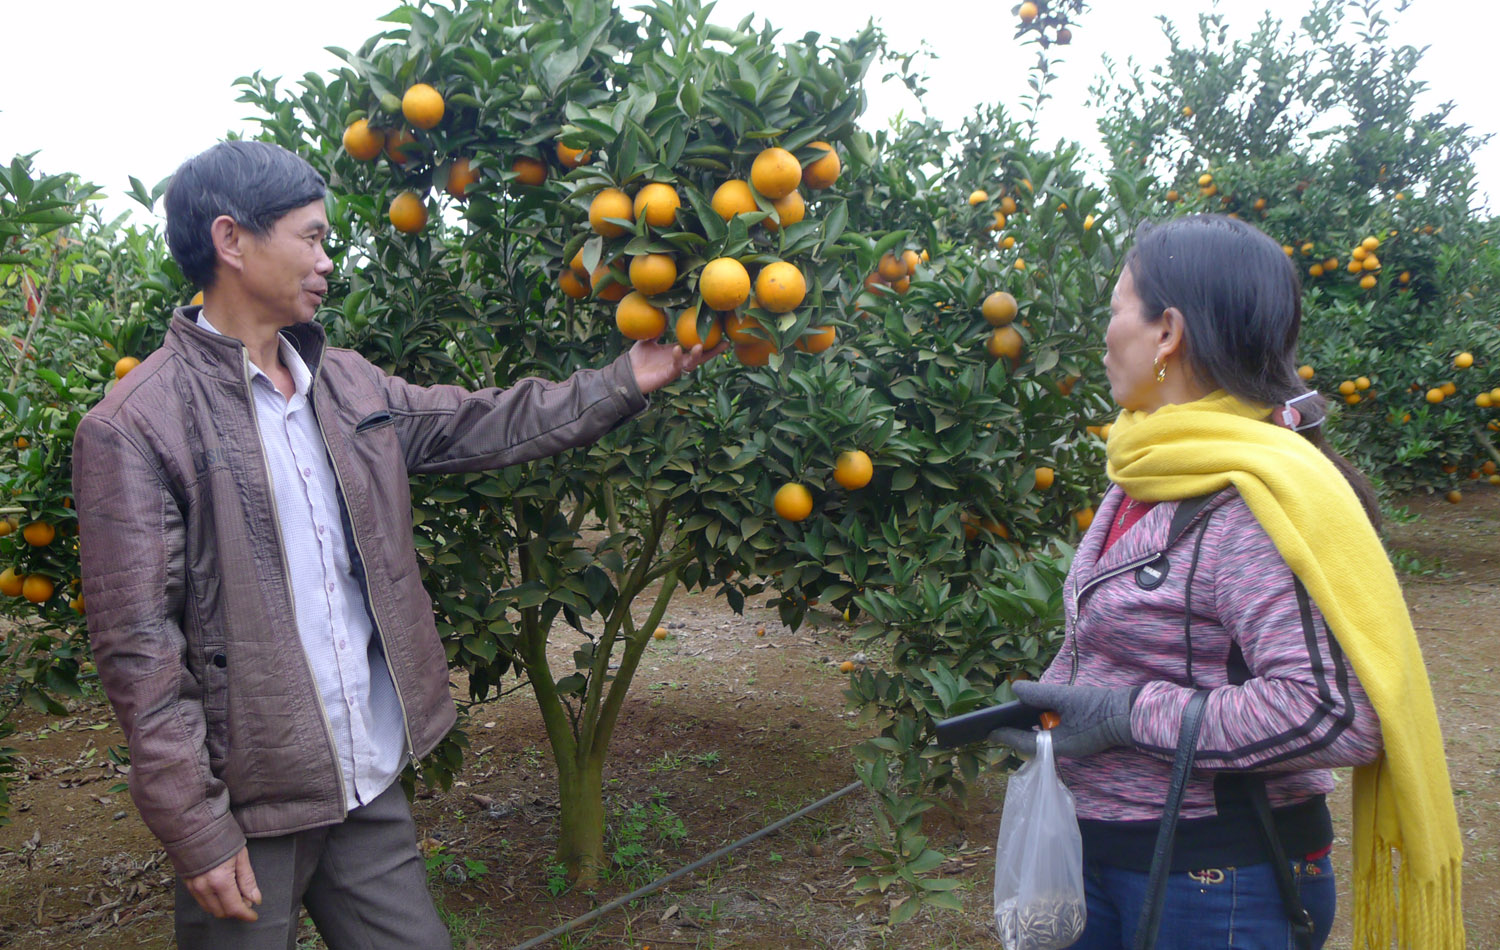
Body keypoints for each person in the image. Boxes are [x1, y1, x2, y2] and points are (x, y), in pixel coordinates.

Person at [71, 140, 725, 949]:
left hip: (364, 776)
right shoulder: (136, 426)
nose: (325, 260)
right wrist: (195, 827)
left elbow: (481, 421)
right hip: (250, 801)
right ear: (231, 240)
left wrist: (624, 381)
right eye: (310, 237)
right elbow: (140, 653)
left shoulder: (345, 385)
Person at [989, 214, 1464, 949]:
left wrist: (1123, 717)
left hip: (1212, 880)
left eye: (1116, 310)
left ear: (1167, 332)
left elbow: (1336, 713)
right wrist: (1064, 711)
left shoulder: (1250, 501)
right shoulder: (1148, 468)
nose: (1105, 333)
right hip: (1110, 853)